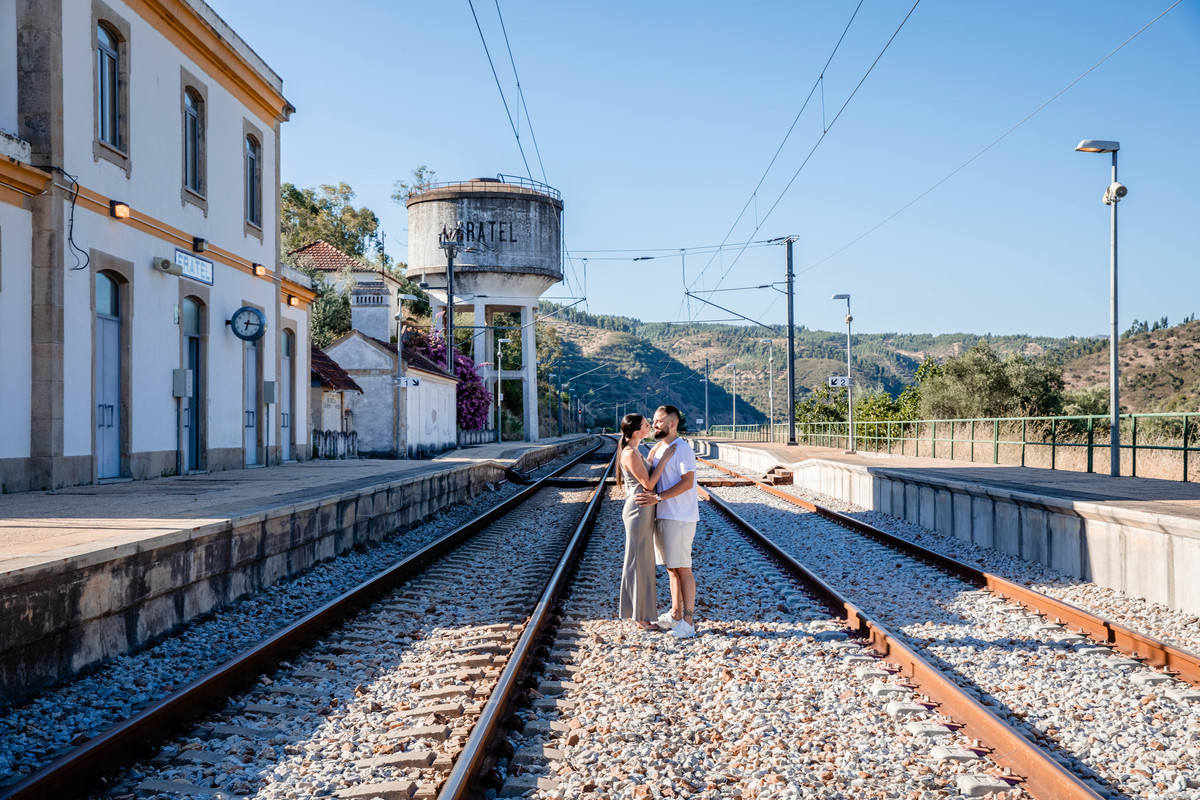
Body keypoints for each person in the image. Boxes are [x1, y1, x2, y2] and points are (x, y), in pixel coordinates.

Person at [636, 405, 699, 639]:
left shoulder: (681, 449)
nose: (655, 424)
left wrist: (659, 497)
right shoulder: (659, 448)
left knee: (683, 569)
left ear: (672, 424)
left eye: (660, 421)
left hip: (679, 516)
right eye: (654, 420)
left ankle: (689, 622)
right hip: (664, 515)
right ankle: (675, 614)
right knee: (672, 568)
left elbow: (688, 482)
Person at [616, 413, 678, 630]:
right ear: (636, 432)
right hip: (638, 511)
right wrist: (665, 459)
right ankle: (639, 617)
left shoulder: (635, 451)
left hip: (643, 511)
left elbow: (644, 472)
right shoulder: (630, 454)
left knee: (641, 561)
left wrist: (651, 457)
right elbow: (649, 484)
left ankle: (638, 614)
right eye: (645, 425)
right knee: (638, 561)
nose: (650, 425)